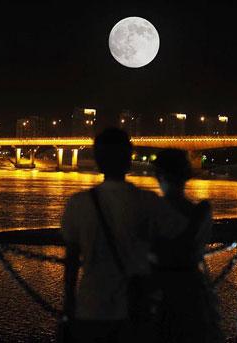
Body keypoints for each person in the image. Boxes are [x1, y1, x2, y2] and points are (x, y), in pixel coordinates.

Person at [60, 128, 188, 343]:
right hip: (134, 309)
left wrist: (68, 304)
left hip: (90, 308)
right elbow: (181, 236)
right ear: (129, 158)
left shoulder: (77, 203)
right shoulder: (147, 202)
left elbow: (71, 260)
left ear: (97, 160)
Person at [152, 148, 221, 343]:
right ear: (186, 176)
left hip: (158, 293)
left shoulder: (150, 211)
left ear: (159, 175)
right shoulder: (203, 212)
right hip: (193, 291)